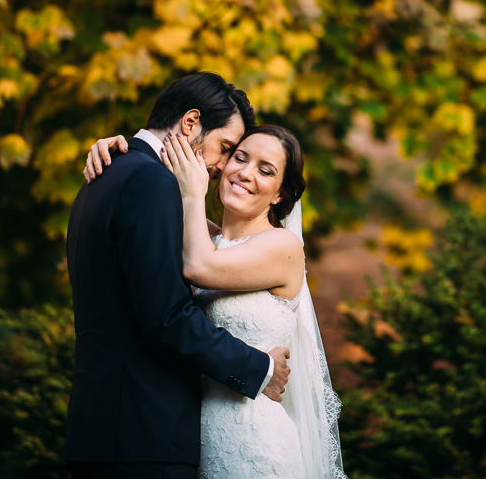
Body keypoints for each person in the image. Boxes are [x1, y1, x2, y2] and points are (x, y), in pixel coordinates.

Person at [85, 124, 346, 478]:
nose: (245, 173)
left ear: (280, 195)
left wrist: (193, 194)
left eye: (265, 170)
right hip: (196, 435)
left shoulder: (284, 247)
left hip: (254, 442)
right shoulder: (208, 238)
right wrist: (119, 152)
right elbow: (157, 204)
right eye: (239, 157)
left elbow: (197, 265)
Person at [65, 72, 291, 479]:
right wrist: (260, 369)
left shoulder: (108, 171)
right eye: (225, 149)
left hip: (104, 427)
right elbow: (165, 316)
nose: (222, 167)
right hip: (143, 433)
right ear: (190, 123)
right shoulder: (151, 183)